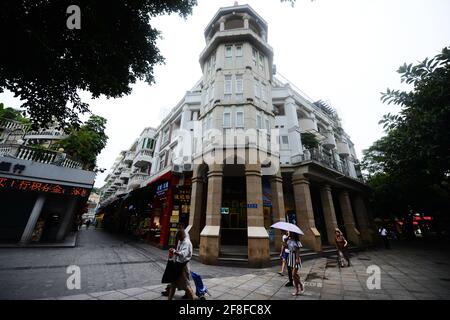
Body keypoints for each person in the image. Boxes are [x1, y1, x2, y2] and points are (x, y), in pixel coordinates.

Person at [168, 230, 194, 300]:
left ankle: (191, 298)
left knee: (186, 286)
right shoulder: (181, 241)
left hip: (183, 266)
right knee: (173, 284)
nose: (178, 240)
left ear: (182, 236)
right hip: (178, 265)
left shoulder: (186, 242)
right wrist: (174, 251)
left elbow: (183, 254)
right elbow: (178, 251)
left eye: (179, 238)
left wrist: (174, 252)